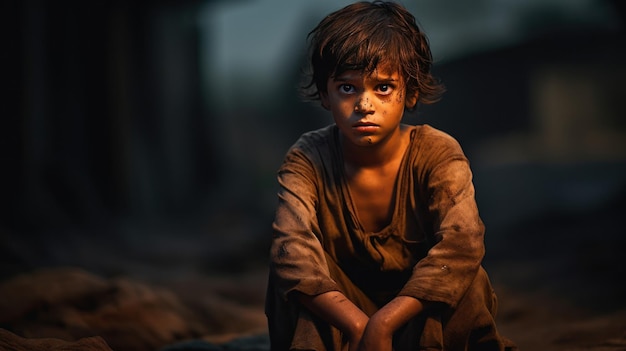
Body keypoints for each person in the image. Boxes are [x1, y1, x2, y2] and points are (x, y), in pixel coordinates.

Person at [265, 1, 516, 350]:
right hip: (342, 315)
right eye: (348, 88)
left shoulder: (437, 153)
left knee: (467, 278)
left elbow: (462, 245)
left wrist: (384, 323)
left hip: (417, 312)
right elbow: (291, 251)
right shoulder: (308, 158)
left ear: (410, 92)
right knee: (291, 279)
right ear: (325, 95)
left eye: (383, 87)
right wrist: (357, 325)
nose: (365, 105)